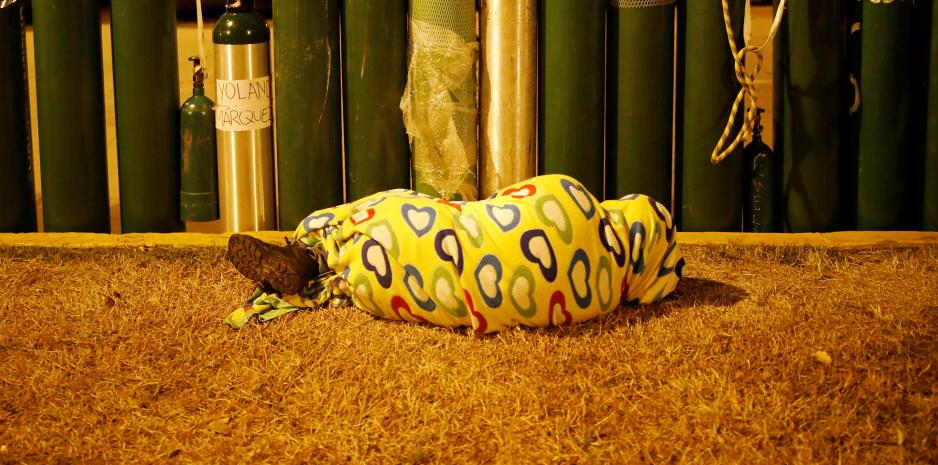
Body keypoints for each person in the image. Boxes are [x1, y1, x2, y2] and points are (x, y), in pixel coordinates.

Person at [224, 174, 683, 335]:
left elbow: (500, 208)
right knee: (413, 263)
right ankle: (334, 279)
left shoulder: (575, 198)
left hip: (429, 238)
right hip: (429, 293)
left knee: (402, 208)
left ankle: (307, 251)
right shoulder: (600, 300)